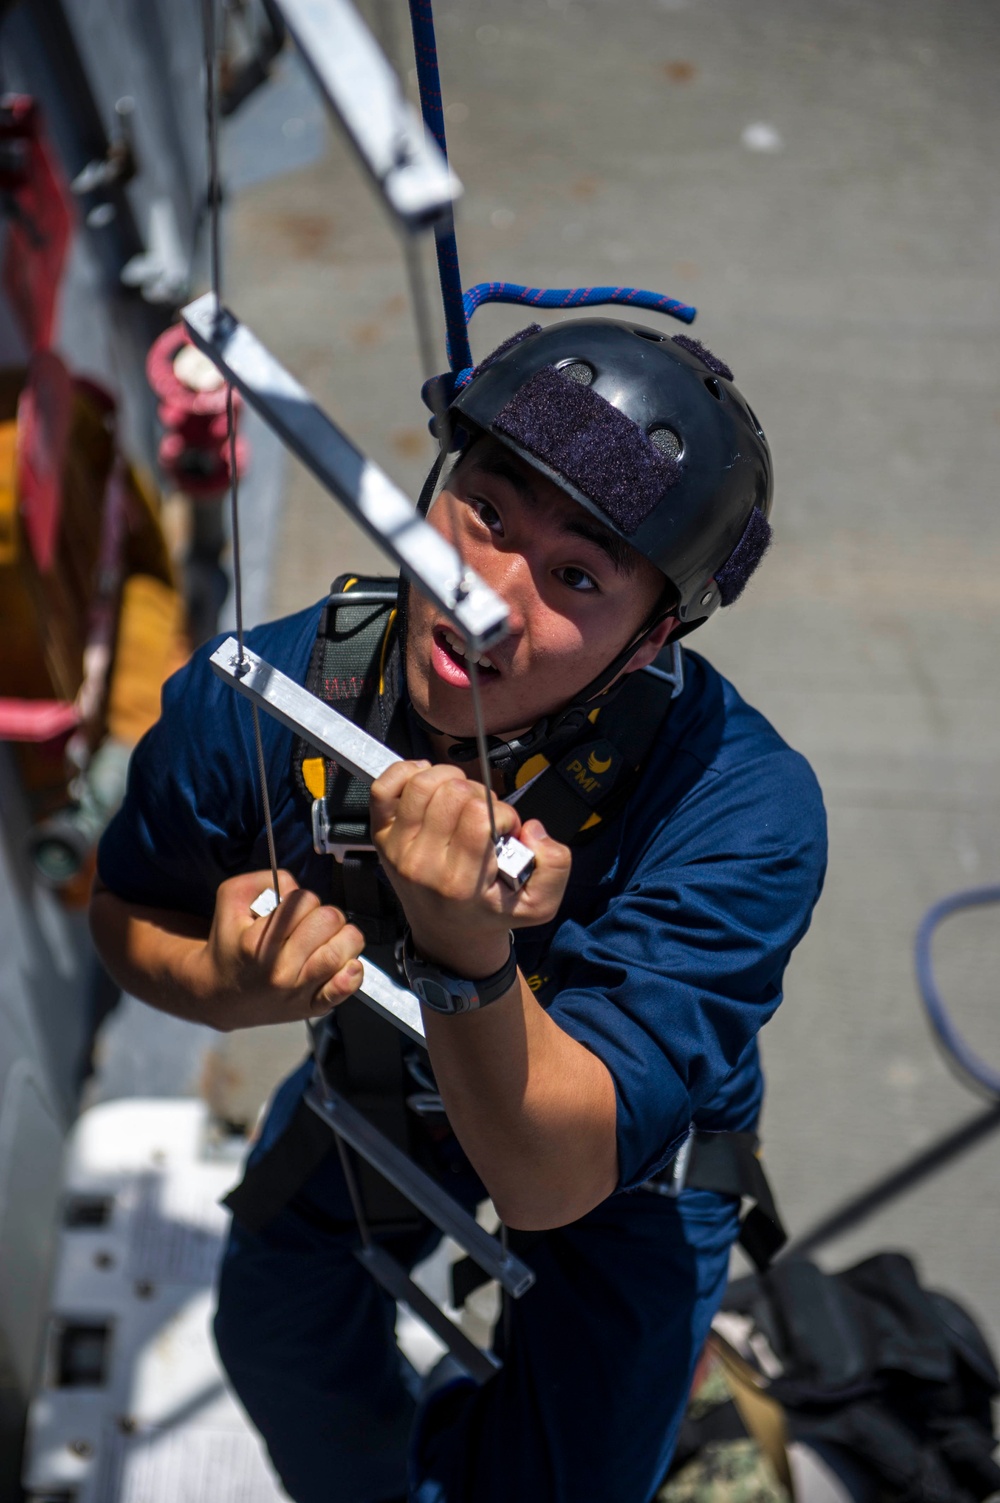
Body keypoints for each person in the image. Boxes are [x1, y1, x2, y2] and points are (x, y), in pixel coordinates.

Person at [90, 319, 827, 1503]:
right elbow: (127, 910)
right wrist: (221, 985)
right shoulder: (265, 696)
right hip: (378, 1078)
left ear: (652, 638)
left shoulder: (741, 810)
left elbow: (552, 1179)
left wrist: (468, 950)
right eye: (485, 513)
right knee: (278, 1342)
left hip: (619, 1158)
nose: (485, 599)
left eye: (577, 577)